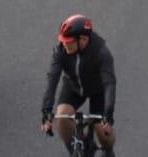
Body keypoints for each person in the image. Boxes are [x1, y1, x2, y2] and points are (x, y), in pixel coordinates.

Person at [41, 15, 117, 156]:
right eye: (62, 41)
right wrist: (46, 111)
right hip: (73, 87)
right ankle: (75, 152)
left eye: (68, 42)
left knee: (102, 131)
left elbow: (109, 83)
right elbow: (52, 79)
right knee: (62, 118)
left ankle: (108, 150)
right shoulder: (61, 51)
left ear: (83, 40)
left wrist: (108, 113)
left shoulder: (101, 52)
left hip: (97, 90)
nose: (64, 45)